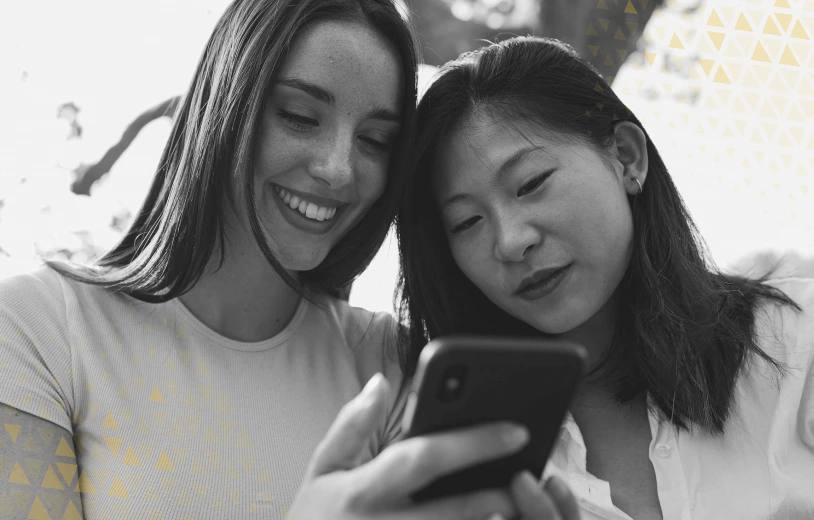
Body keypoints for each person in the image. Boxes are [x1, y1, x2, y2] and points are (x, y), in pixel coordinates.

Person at [0, 3, 578, 519]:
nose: (338, 169)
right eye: (300, 116)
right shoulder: (38, 331)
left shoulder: (397, 367)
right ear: (225, 101)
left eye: (375, 141)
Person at [396, 36, 814, 520]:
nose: (510, 243)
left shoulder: (791, 340)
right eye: (467, 222)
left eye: (530, 184)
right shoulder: (460, 455)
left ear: (626, 156)